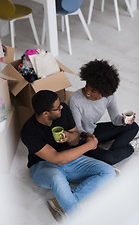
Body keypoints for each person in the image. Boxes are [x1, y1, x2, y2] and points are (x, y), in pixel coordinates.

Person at [21, 90, 116, 220]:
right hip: (42, 166)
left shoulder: (64, 110)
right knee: (56, 177)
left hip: (70, 159)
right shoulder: (29, 131)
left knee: (109, 172)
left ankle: (61, 202)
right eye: (57, 107)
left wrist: (69, 137)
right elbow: (56, 159)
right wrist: (89, 145)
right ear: (45, 113)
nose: (61, 107)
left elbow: (76, 138)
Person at [69, 59, 139, 165]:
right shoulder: (75, 100)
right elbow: (76, 129)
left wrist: (124, 120)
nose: (87, 92)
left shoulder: (109, 97)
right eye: (86, 86)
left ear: (104, 91)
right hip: (81, 139)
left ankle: (114, 154)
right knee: (109, 158)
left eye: (93, 91)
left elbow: (115, 119)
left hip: (94, 130)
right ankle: (130, 148)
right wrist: (87, 136)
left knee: (133, 126)